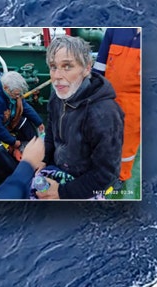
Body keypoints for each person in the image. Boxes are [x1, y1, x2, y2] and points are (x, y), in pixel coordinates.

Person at [38, 35, 124, 199]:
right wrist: (44, 158)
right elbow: (51, 130)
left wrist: (63, 193)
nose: (57, 76)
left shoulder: (105, 114)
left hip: (84, 184)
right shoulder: (58, 96)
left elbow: (106, 175)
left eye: (67, 66)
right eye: (53, 66)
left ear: (87, 68)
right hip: (59, 168)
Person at [93, 28, 141, 190]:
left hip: (136, 104)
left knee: (128, 142)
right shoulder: (115, 29)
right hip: (108, 97)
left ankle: (121, 175)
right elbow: (100, 64)